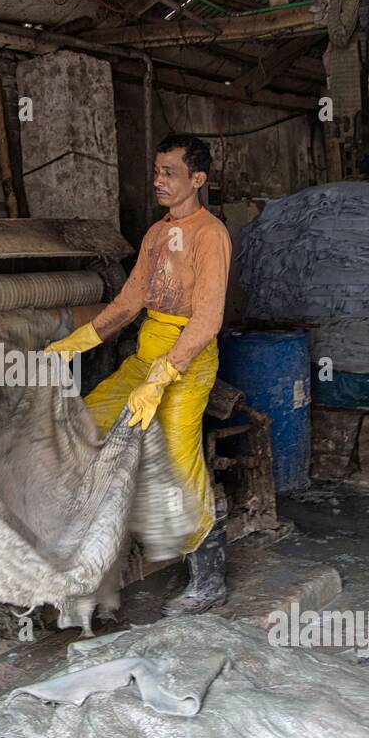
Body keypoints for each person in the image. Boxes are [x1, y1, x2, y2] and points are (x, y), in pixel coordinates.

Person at [45, 134, 231, 615]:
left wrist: (163, 375)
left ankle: (208, 578)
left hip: (187, 366)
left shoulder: (211, 234)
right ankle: (89, 559)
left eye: (170, 172)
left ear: (198, 179)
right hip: (145, 360)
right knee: (84, 423)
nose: (159, 180)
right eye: (157, 170)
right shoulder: (154, 235)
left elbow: (207, 320)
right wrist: (77, 341)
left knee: (177, 462)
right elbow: (129, 304)